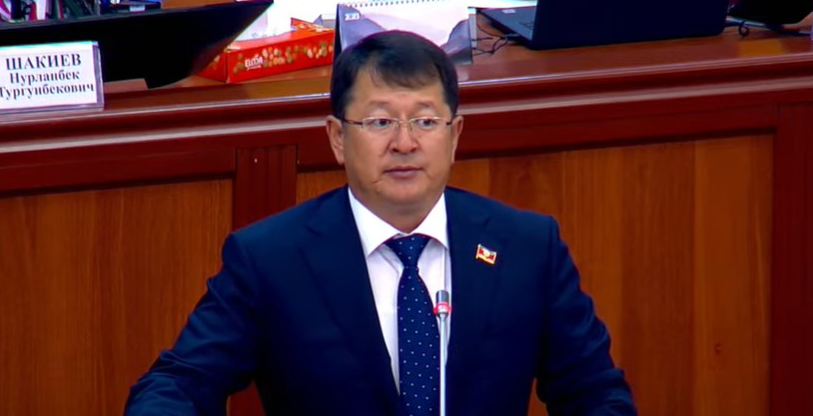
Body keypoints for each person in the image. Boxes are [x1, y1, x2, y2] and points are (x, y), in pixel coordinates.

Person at [125, 30, 636, 416]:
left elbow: (594, 393)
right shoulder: (271, 259)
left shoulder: (527, 246)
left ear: (455, 135)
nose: (405, 143)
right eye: (380, 121)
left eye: (425, 121)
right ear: (337, 138)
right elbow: (180, 383)